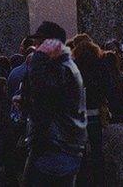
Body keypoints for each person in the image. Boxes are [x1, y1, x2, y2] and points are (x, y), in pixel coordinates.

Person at [21, 22, 87, 186]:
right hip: (60, 146)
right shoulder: (65, 66)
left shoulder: (60, 68)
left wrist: (38, 59)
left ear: (53, 44)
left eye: (40, 43)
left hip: (54, 147)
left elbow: (44, 93)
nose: (36, 47)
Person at [72, 39, 112, 187]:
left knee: (79, 151)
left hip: (78, 113)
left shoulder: (74, 66)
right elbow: (108, 86)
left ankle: (81, 181)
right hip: (95, 111)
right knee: (97, 149)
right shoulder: (100, 64)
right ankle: (99, 181)